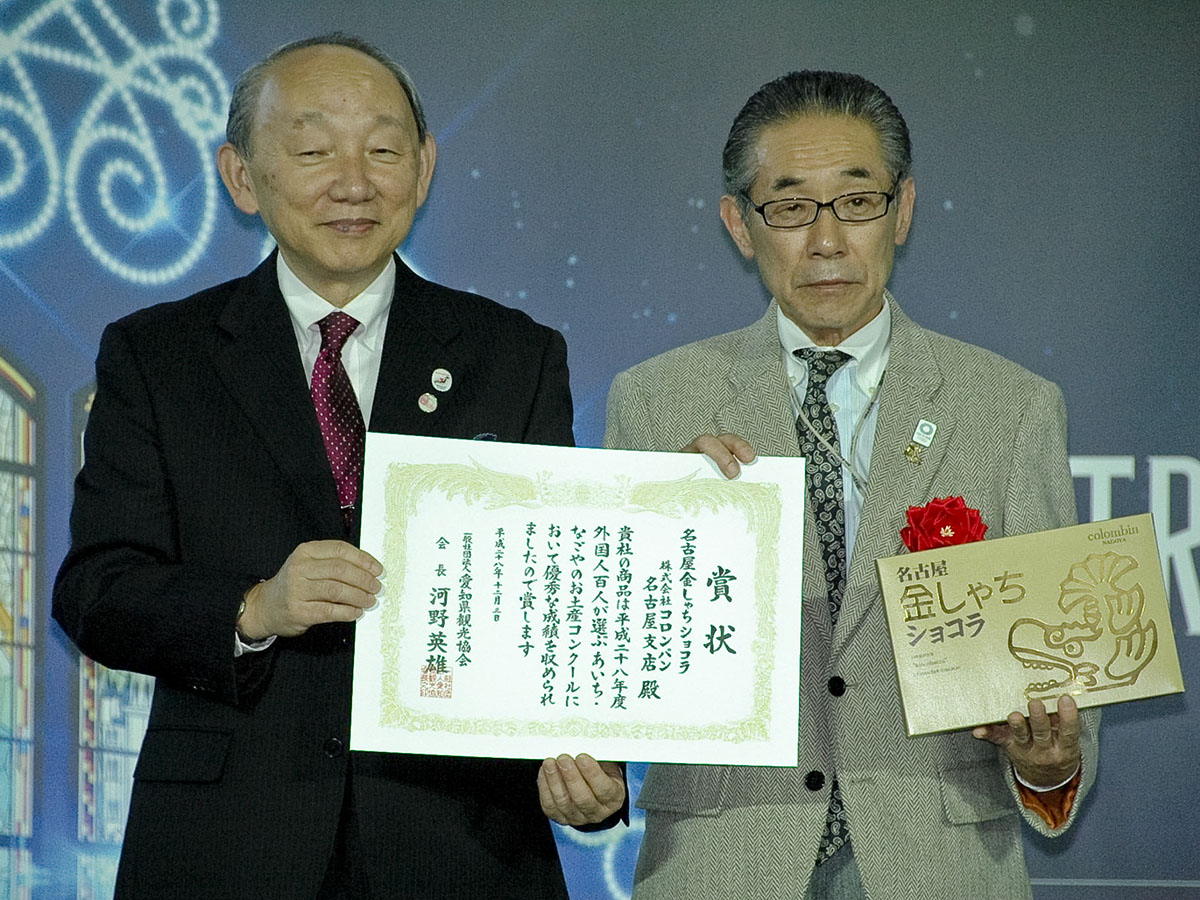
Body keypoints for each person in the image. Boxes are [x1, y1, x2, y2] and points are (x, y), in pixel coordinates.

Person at [53, 33, 622, 900]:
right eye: (314, 150)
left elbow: (564, 595)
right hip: (225, 845)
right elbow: (98, 590)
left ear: (424, 169)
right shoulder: (158, 356)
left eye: (384, 150)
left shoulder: (514, 355)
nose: (354, 182)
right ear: (241, 177)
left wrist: (594, 773)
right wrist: (255, 607)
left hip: (461, 847)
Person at [605, 70, 1097, 900]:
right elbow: (613, 652)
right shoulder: (657, 401)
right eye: (791, 207)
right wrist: (669, 526)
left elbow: (1063, 670)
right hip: (726, 862)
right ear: (738, 224)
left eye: (857, 202)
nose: (827, 240)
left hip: (934, 864)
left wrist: (1049, 760)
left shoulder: (1011, 408)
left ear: (901, 211)